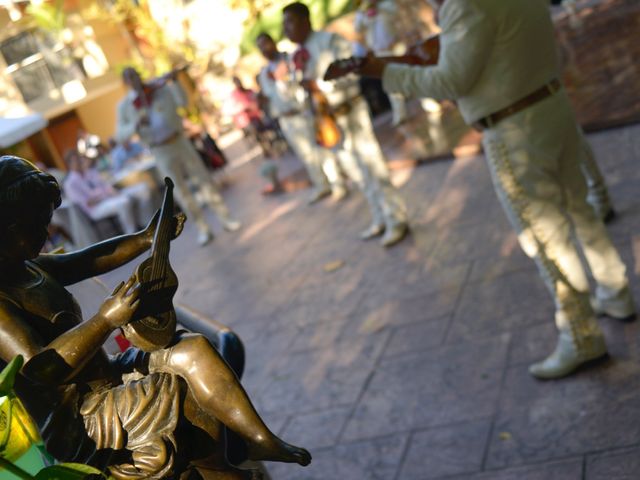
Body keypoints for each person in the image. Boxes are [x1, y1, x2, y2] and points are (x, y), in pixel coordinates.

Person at [359, 0, 636, 378]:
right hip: (551, 105)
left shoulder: (464, 5)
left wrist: (385, 71)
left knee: (546, 239)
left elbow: (449, 81)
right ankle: (615, 292)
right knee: (580, 208)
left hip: (514, 128)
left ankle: (582, 335)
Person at [0, 155, 311, 478]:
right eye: (36, 225)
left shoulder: (32, 268)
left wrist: (146, 238)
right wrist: (105, 320)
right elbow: (38, 367)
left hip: (108, 376)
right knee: (177, 390)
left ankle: (258, 439)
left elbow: (89, 260)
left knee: (194, 350)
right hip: (83, 420)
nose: (46, 233)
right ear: (5, 230)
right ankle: (219, 470)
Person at [282, 2, 409, 247]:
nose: (287, 29)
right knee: (356, 171)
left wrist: (321, 86)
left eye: (290, 22)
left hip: (349, 111)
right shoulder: (297, 57)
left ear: (305, 21)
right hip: (327, 121)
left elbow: (350, 72)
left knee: (372, 165)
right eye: (284, 24)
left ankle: (396, 218)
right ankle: (380, 216)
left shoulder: (330, 41)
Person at [115, 67, 241, 247]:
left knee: (203, 179)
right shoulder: (125, 106)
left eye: (136, 75)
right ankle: (202, 228)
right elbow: (119, 134)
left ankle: (225, 218)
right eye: (129, 78)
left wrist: (174, 82)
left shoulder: (159, 88)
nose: (134, 79)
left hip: (179, 140)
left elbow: (182, 102)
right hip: (159, 150)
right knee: (179, 190)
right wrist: (135, 125)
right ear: (125, 83)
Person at [256, 32, 348, 204]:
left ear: (273, 42)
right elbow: (270, 96)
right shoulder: (264, 73)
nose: (264, 49)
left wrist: (284, 78)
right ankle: (321, 185)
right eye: (260, 47)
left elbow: (302, 81)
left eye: (266, 43)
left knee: (321, 149)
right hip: (286, 119)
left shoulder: (291, 60)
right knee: (306, 154)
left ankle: (337, 183)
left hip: (303, 111)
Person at [63, 149, 155, 235]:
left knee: (142, 189)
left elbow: (105, 185)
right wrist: (105, 195)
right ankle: (132, 233)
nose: (79, 162)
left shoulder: (90, 172)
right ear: (69, 164)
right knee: (124, 202)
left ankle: (146, 223)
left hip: (109, 197)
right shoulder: (70, 183)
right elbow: (88, 202)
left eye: (78, 159)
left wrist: (113, 192)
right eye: (75, 161)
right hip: (96, 208)